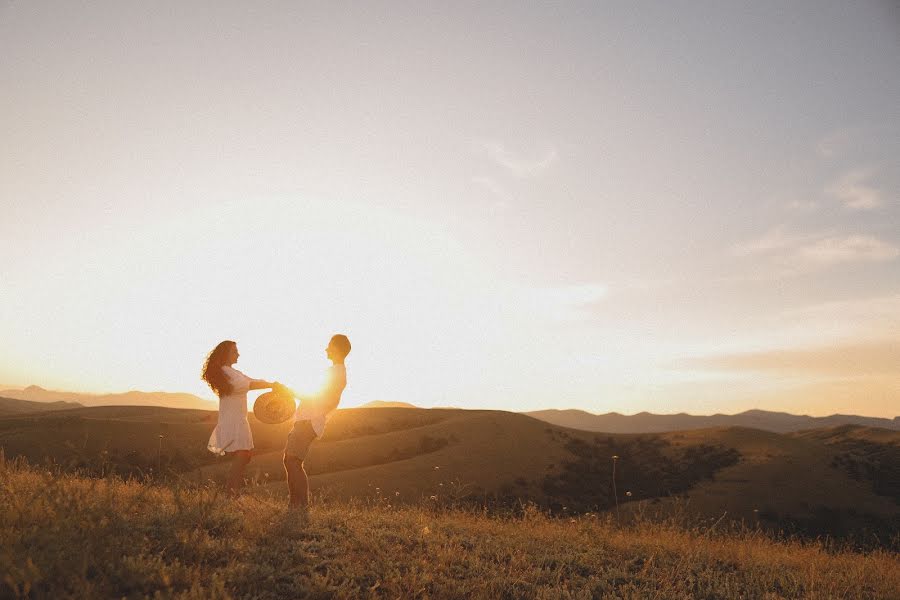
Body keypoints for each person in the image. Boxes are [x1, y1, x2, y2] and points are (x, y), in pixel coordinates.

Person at [281, 334, 351, 509]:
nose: (326, 349)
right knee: (291, 460)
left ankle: (300, 505)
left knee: (293, 461)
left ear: (337, 348)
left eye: (329, 345)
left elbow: (322, 399)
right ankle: (296, 503)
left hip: (309, 421)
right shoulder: (337, 371)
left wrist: (290, 392)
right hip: (309, 420)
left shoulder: (335, 373)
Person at [202, 340, 276, 495]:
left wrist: (270, 383)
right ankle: (231, 493)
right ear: (226, 354)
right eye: (235, 351)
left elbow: (251, 381)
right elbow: (246, 385)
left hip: (237, 419)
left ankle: (232, 492)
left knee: (244, 455)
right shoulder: (225, 371)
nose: (238, 354)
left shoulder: (232, 371)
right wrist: (271, 386)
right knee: (242, 455)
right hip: (233, 420)